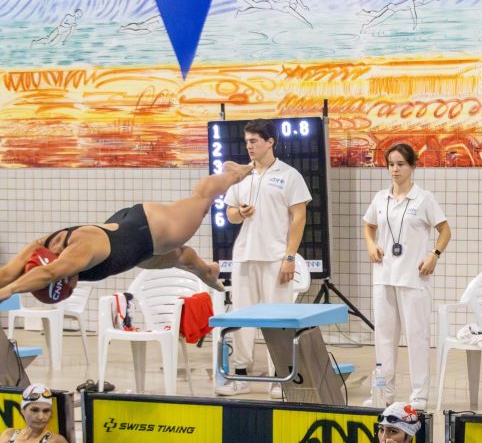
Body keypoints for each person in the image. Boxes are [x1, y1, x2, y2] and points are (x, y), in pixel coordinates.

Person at [0, 162, 253, 304]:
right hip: (134, 248)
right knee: (180, 257)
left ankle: (234, 173)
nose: (75, 284)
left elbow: (49, 273)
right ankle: (208, 271)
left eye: (69, 285)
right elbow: (9, 273)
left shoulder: (79, 252)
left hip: (151, 226)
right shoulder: (41, 247)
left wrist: (8, 292)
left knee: (202, 199)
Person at [216, 120, 311, 397]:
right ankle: (240, 376)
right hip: (244, 257)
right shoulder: (241, 177)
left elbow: (299, 217)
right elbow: (230, 214)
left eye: (254, 141)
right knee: (242, 318)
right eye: (247, 141)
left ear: (270, 142)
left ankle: (279, 378)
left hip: (275, 258)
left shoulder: (289, 175)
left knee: (277, 320)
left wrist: (289, 257)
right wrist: (240, 213)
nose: (249, 146)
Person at [362, 143, 451, 409]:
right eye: (391, 164)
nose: (395, 169)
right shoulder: (381, 198)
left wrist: (434, 254)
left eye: (400, 164)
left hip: (413, 278)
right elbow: (368, 225)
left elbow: (445, 231)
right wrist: (371, 244)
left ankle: (419, 396)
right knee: (384, 338)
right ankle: (383, 393)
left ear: (412, 166)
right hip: (383, 276)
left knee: (417, 338)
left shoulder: (423, 199)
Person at [1, 384, 75, 443]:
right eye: (34, 410)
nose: (41, 417)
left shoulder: (55, 441)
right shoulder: (9, 435)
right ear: (23, 411)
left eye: (46, 411)